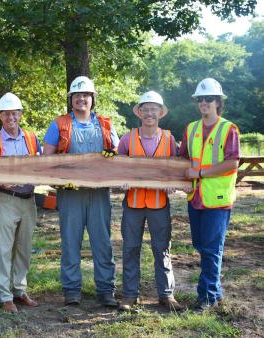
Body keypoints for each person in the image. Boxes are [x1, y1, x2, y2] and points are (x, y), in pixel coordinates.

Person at [43, 76, 119, 307]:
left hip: (99, 193)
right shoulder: (59, 124)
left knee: (102, 243)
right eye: (77, 96)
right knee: (70, 242)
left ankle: (106, 290)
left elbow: (117, 153)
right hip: (70, 194)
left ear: (92, 98)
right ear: (71, 100)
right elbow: (47, 158)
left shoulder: (106, 124)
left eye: (86, 95)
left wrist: (112, 155)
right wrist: (60, 178)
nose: (81, 99)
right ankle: (71, 290)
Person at [108, 91, 182, 311]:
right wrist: (121, 182)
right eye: (145, 109)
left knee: (162, 249)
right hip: (133, 204)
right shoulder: (127, 138)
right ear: (139, 113)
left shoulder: (169, 139)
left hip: (159, 204)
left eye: (154, 109)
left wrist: (172, 182)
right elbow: (117, 166)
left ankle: (166, 295)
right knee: (131, 248)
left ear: (160, 113)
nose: (149, 113)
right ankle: (130, 296)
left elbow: (176, 169)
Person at [180, 78, 240, 311]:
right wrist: (181, 180)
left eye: (209, 99)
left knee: (211, 249)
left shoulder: (229, 129)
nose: (204, 103)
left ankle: (206, 297)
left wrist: (201, 173)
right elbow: (182, 160)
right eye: (200, 99)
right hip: (195, 198)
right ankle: (215, 291)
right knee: (201, 245)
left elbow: (232, 163)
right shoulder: (191, 128)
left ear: (218, 101)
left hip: (217, 200)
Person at [0, 92, 42, 313]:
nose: (11, 117)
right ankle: (5, 296)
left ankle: (19, 289)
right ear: (0, 116)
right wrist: (1, 182)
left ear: (21, 114)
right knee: (4, 248)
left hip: (29, 200)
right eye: (6, 113)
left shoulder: (31, 139)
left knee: (24, 247)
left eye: (14, 113)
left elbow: (41, 165)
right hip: (5, 200)